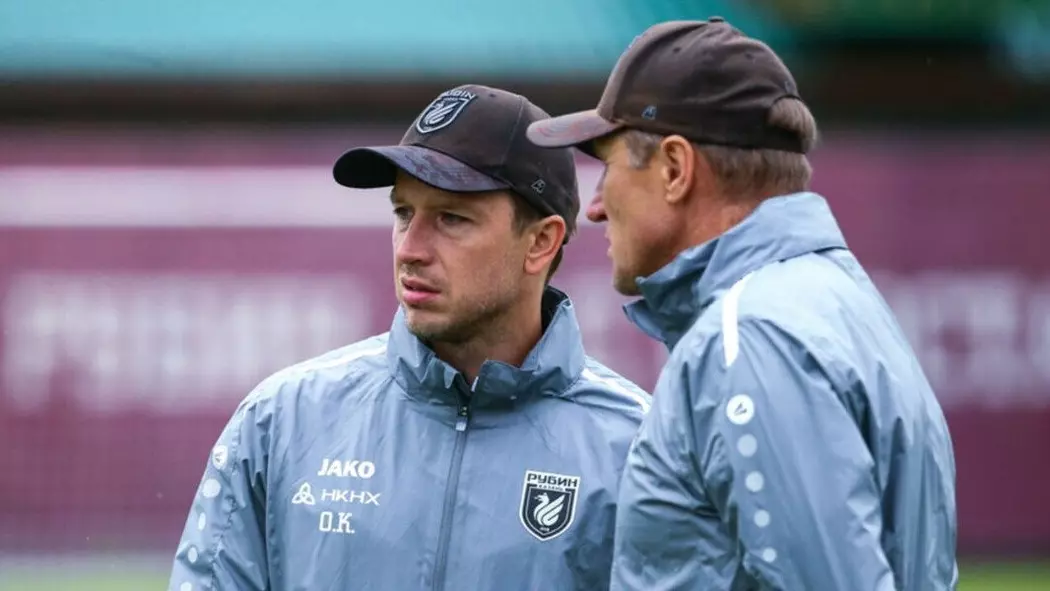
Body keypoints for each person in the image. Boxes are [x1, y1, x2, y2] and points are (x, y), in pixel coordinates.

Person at [527, 18, 958, 591]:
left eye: (609, 166)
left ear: (675, 169)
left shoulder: (748, 339)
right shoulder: (838, 301)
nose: (597, 206)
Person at [168, 84, 650, 591]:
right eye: (403, 213)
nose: (410, 249)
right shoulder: (280, 420)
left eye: (451, 218)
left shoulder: (638, 447)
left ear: (540, 242)